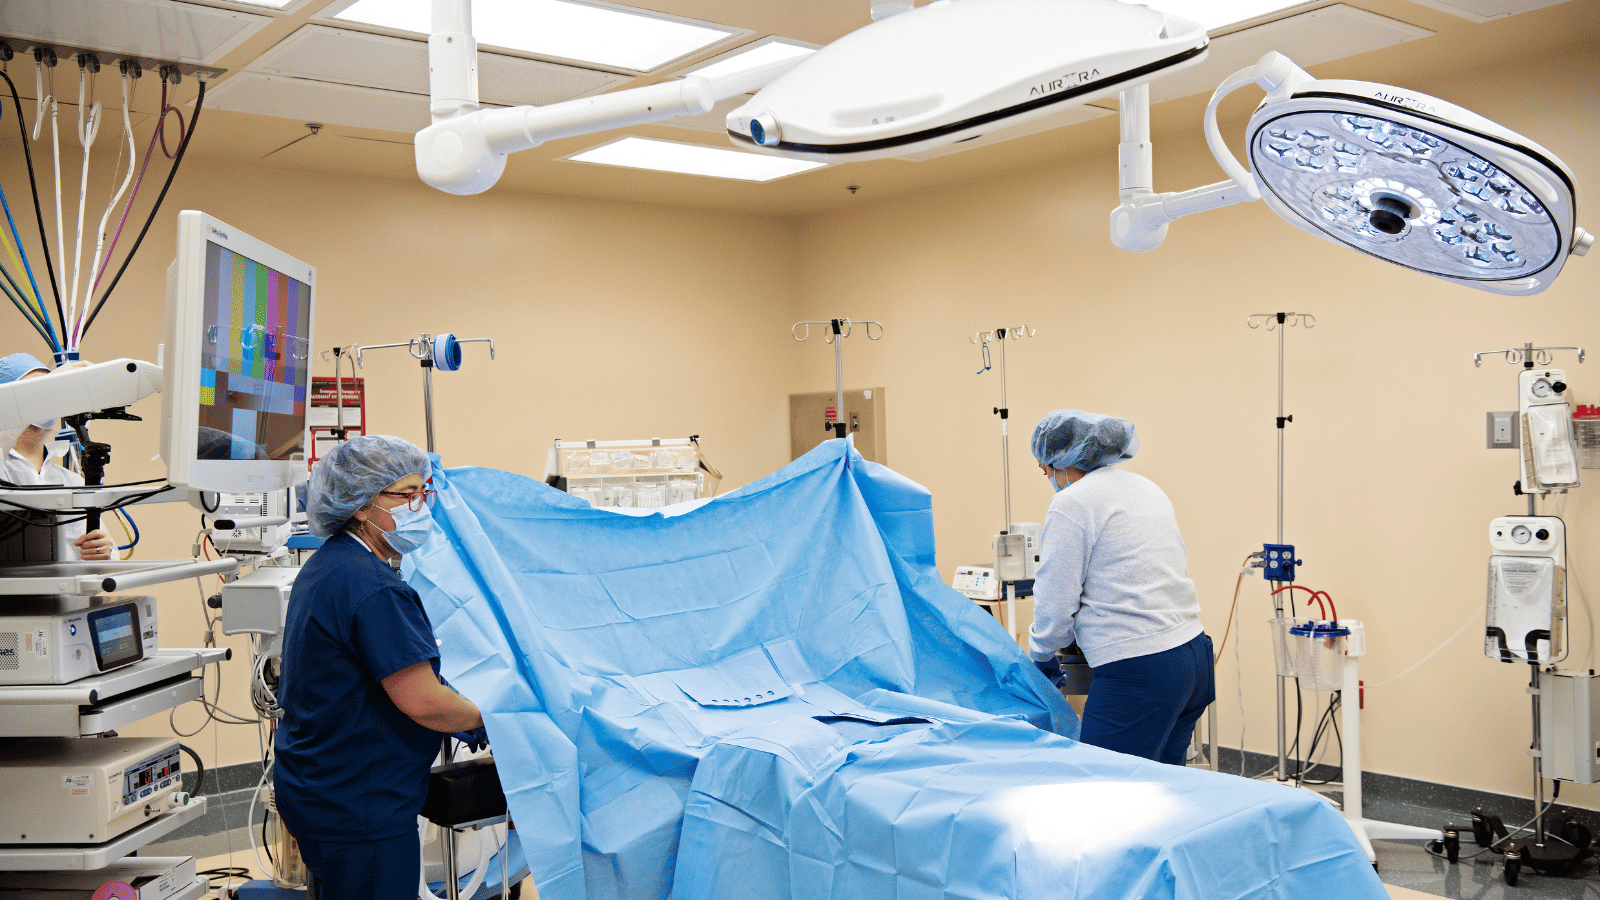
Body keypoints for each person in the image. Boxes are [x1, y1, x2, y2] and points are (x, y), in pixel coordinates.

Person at [274, 435, 486, 900]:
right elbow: (424, 702)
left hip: (320, 786)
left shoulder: (329, 565)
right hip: (359, 807)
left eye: (422, 493)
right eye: (405, 495)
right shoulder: (372, 587)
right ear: (362, 506)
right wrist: (490, 719)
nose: (419, 506)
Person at [1027, 409, 1213, 766]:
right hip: (1193, 657)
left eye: (1046, 468)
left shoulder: (1071, 503)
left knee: (1104, 789)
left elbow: (1055, 597)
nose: (1049, 476)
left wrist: (1041, 654)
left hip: (1142, 671)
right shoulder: (1145, 487)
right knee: (1163, 790)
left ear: (1062, 457)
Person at [0, 352, 115, 562]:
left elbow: (99, 570)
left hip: (65, 595)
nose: (47, 400)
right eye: (33, 391)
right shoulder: (2, 468)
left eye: (53, 390)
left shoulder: (69, 480)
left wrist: (104, 552)